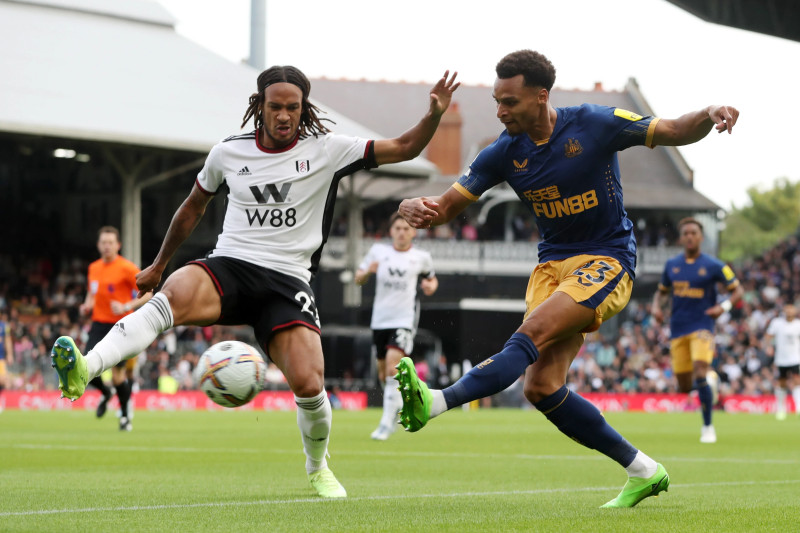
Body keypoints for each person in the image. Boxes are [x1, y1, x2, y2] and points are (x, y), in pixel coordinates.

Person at [50, 65, 459, 498]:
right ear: (259, 106)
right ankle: (85, 368)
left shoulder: (329, 149)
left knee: (309, 383)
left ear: (304, 109)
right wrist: (158, 264)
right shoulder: (228, 152)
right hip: (231, 264)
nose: (284, 115)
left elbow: (405, 147)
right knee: (171, 296)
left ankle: (317, 467)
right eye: (276, 106)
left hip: (287, 281)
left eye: (293, 108)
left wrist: (433, 115)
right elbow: (192, 208)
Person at [393, 49, 739, 508]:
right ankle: (644, 471)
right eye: (497, 100)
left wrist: (709, 112)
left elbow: (673, 129)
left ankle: (436, 401)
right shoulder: (502, 152)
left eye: (510, 102)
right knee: (541, 387)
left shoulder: (594, 122)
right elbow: (448, 206)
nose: (500, 111)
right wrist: (413, 207)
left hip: (607, 259)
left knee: (530, 333)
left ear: (541, 96)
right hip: (551, 266)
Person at [652, 217, 742, 443]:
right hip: (678, 328)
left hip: (703, 326)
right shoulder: (672, 265)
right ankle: (709, 381)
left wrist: (724, 306)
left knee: (700, 370)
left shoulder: (714, 265)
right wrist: (656, 307)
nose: (690, 236)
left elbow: (737, 290)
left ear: (701, 237)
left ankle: (708, 426)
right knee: (684, 386)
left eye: (694, 233)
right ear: (681, 238)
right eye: (686, 233)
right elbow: (661, 291)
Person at [354, 213, 438, 440]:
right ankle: (394, 411)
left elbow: (432, 279)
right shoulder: (378, 252)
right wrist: (366, 273)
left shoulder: (421, 257)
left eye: (406, 228)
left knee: (393, 365)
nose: (402, 232)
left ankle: (385, 423)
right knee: (383, 373)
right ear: (391, 231)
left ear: (413, 233)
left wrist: (430, 286)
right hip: (380, 319)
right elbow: (358, 277)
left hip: (404, 319)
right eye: (398, 228)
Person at [80, 226, 153, 430]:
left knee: (118, 376)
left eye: (111, 242)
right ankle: (106, 392)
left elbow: (149, 293)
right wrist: (87, 305)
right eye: (103, 242)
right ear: (98, 245)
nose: (107, 246)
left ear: (118, 245)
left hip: (121, 326)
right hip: (98, 323)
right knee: (84, 368)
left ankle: (124, 416)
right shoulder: (93, 268)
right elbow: (92, 293)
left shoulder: (127, 268)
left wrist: (126, 306)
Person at [764, 303, 800, 420]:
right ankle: (781, 408)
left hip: (795, 358)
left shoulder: (798, 324)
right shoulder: (777, 323)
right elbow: (768, 336)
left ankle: (798, 407)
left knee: (797, 381)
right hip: (781, 359)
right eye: (787, 312)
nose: (789, 315)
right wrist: (769, 346)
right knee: (782, 383)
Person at [0, 310, 13, 410]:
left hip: (1, 358)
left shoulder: (4, 326)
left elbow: (8, 340)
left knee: (4, 380)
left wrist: (9, 354)